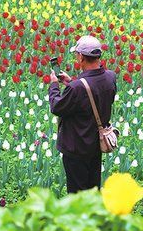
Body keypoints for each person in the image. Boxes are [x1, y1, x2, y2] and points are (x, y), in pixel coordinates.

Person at [48, 35, 117, 194]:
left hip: (76, 147)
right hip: (96, 144)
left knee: (77, 194)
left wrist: (54, 86)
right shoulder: (110, 77)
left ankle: (79, 218)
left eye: (76, 54)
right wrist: (71, 81)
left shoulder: (78, 88)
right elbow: (95, 94)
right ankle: (93, 216)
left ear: (80, 57)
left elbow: (57, 107)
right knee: (93, 189)